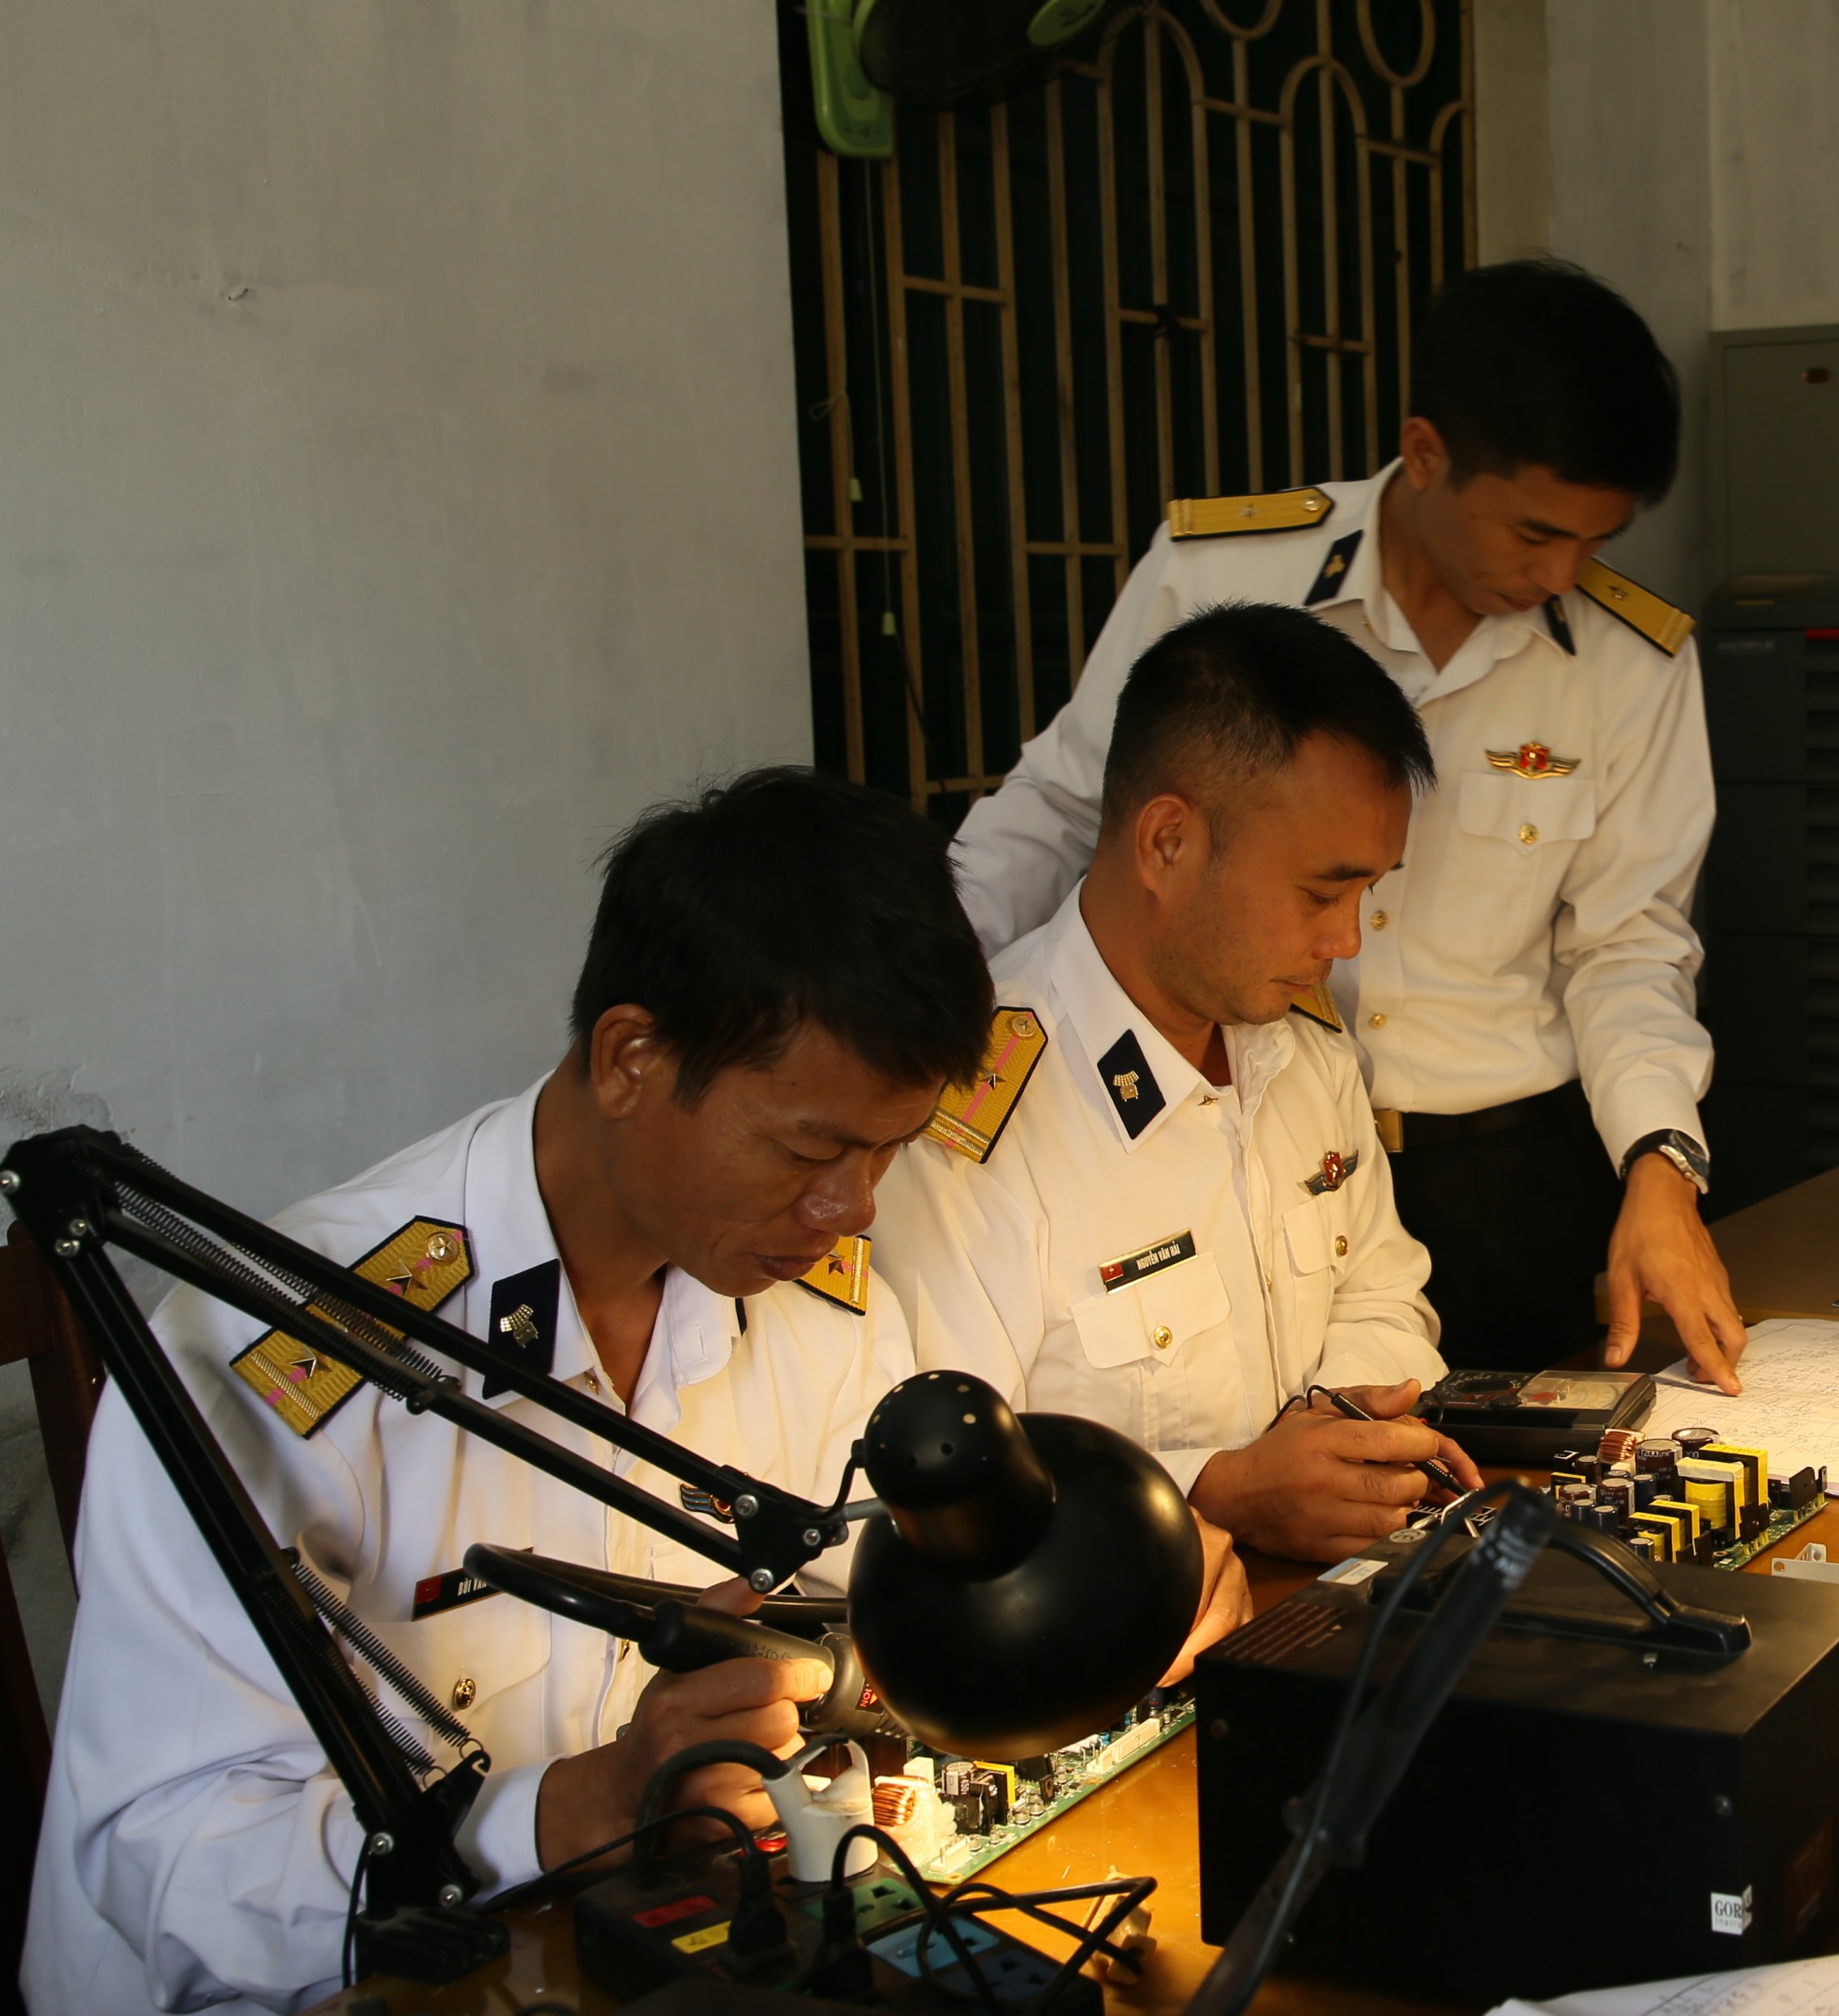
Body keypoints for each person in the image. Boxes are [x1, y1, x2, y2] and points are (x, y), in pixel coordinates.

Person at [23, 769, 1244, 2014]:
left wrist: (1089, 1575)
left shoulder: (812, 1305)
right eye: (812, 1148)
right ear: (629, 1059)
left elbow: (880, 1593)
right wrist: (587, 1802)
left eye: (888, 1150)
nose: (851, 1207)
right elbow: (163, 1855)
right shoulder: (278, 1359)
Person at [944, 259, 1746, 1391]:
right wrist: (920, 993)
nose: (1560, 571)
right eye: (1532, 532)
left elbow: (1630, 947)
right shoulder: (1224, 575)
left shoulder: (1630, 664)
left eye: (1593, 541)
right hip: (1238, 1134)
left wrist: (1660, 1165)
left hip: (1508, 1174)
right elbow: (1069, 808)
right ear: (1425, 453)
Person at [877, 605, 1486, 1563]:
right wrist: (1214, 1489)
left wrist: (1336, 1441)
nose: (1346, 941)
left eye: (1368, 892)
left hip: (1337, 1587)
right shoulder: (970, 1113)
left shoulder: (1301, 1047)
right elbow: (939, 1478)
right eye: (1321, 893)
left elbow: (1385, 1295)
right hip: (1121, 1622)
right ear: (1167, 842)